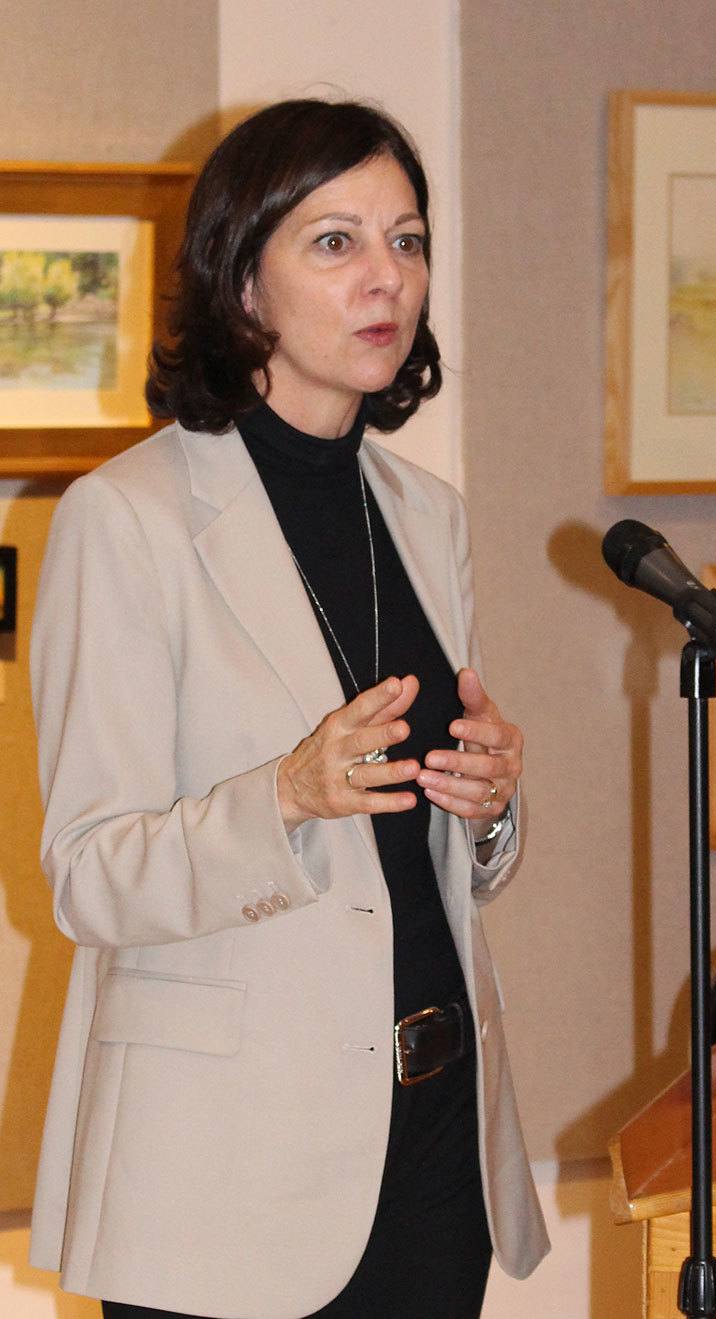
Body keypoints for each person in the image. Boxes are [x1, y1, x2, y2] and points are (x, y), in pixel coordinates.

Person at [27, 99, 548, 1318]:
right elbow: (88, 874)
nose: (387, 278)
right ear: (242, 283)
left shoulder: (427, 511)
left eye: (408, 240)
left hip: (430, 1139)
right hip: (228, 1174)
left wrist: (487, 807)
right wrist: (284, 796)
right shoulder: (128, 519)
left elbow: (436, 862)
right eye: (335, 242)